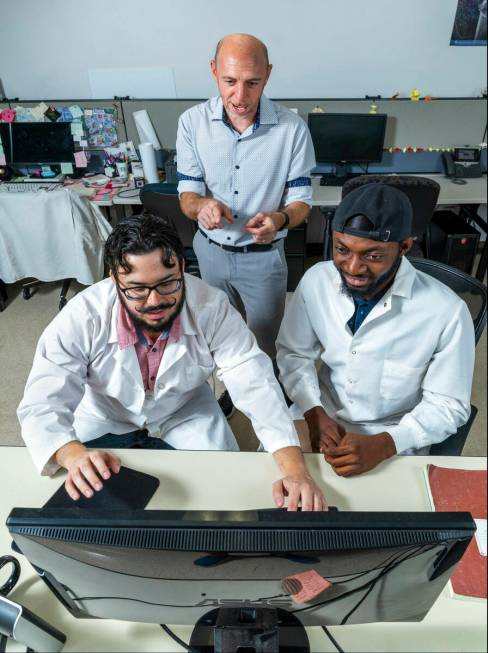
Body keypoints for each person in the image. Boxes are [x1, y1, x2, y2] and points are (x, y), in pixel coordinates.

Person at [18, 214, 326, 511]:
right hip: (104, 413)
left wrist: (294, 468)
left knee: (224, 489)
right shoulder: (82, 316)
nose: (154, 302)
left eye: (167, 283)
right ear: (113, 280)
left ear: (181, 266)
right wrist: (70, 454)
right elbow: (42, 403)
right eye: (137, 289)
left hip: (185, 409)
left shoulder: (211, 306)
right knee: (81, 492)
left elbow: (254, 381)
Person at [276, 184, 475, 476]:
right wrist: (312, 409)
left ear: (404, 247)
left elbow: (448, 405)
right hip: (321, 416)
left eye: (373, 256)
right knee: (276, 493)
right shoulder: (317, 280)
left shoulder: (446, 310)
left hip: (394, 433)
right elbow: (294, 353)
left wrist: (385, 444)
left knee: (381, 516)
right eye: (342, 250)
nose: (353, 268)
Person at [176, 33, 316, 414]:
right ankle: (233, 393)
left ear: (268, 76)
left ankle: (270, 398)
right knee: (221, 332)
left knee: (268, 337)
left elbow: (302, 201)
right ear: (214, 72)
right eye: (230, 81)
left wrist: (281, 218)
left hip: (264, 256)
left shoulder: (292, 129)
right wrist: (201, 205)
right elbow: (187, 195)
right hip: (212, 252)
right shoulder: (192, 123)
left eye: (252, 82)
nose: (240, 96)